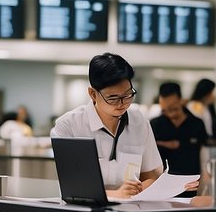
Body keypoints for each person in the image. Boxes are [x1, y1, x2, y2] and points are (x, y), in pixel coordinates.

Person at [51, 52, 165, 199]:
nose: (122, 103)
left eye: (128, 95)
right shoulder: (69, 126)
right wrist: (116, 194)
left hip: (131, 211)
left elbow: (151, 176)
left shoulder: (139, 122)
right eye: (113, 98)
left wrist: (139, 189)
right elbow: (72, 187)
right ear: (93, 94)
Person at [150, 82, 210, 197]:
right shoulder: (155, 125)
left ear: (181, 100)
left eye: (173, 108)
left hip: (191, 184)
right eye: (165, 110)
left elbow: (204, 155)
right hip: (163, 185)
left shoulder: (196, 124)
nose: (170, 113)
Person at [187, 78, 216, 144]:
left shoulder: (208, 107)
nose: (215, 96)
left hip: (209, 142)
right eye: (213, 92)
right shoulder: (195, 105)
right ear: (206, 93)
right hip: (201, 143)